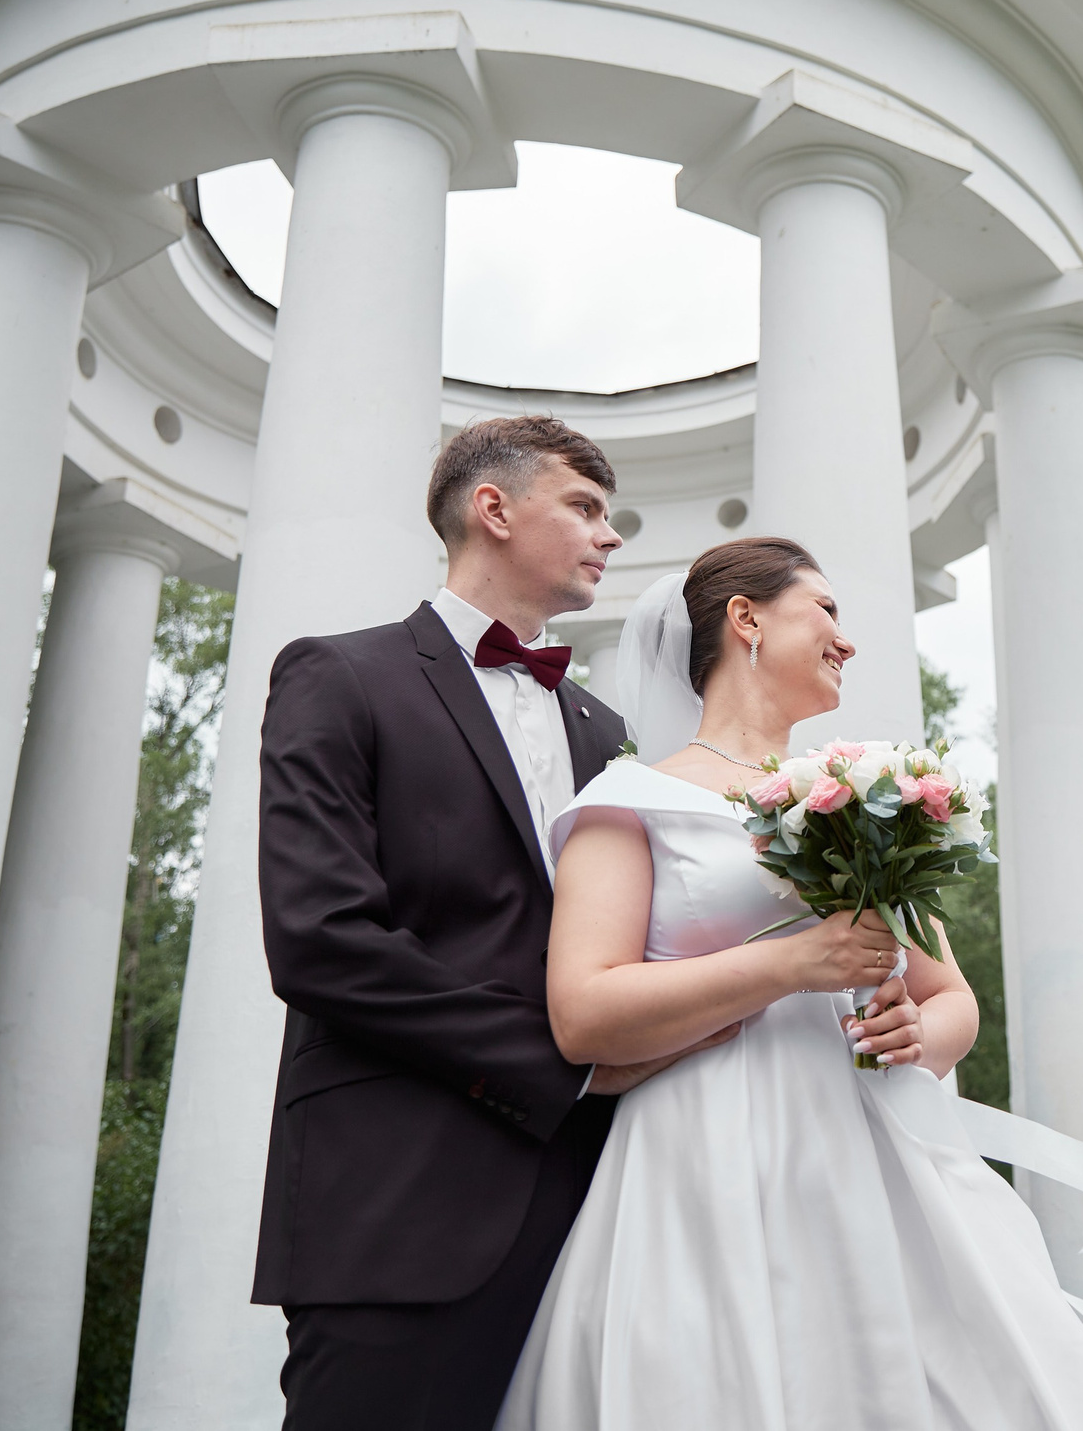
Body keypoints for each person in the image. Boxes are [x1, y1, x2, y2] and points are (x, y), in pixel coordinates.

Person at [496, 537, 1083, 1430]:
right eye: (828, 611)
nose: (848, 639)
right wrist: (791, 965)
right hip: (704, 1158)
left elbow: (950, 997)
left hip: (876, 1157)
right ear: (747, 617)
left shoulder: (867, 794)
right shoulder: (630, 798)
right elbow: (582, 1014)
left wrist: (920, 1036)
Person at [251, 417, 740, 1431]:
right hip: (401, 1196)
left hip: (606, 1199)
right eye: (586, 508)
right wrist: (565, 1065)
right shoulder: (338, 677)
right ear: (493, 508)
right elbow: (320, 936)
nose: (610, 536)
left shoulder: (606, 732)